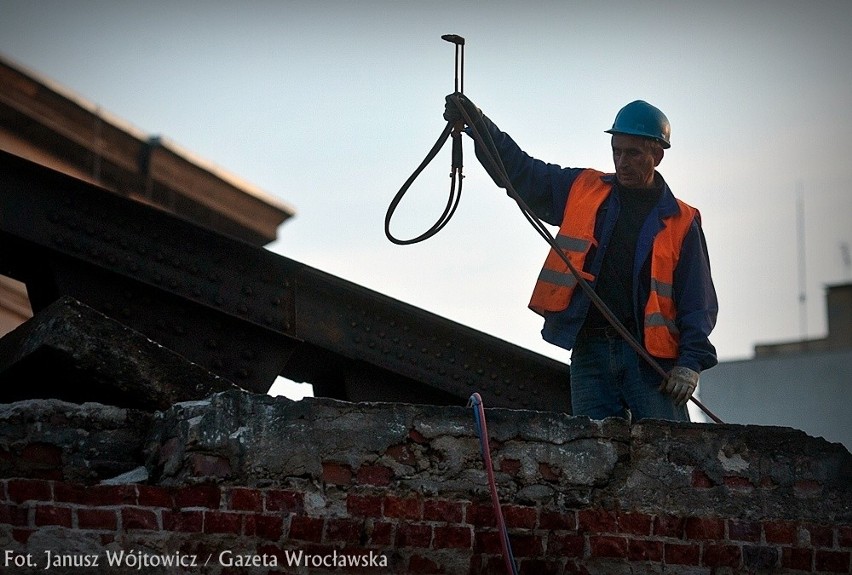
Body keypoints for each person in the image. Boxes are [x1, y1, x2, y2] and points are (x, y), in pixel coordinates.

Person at [444, 94, 718, 422]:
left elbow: (697, 302)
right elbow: (521, 171)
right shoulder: (584, 189)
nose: (622, 161)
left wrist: (689, 364)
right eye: (617, 151)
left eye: (633, 153)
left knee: (670, 452)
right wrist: (479, 124)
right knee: (593, 454)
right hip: (591, 351)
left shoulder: (682, 220)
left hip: (649, 361)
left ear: (657, 155)